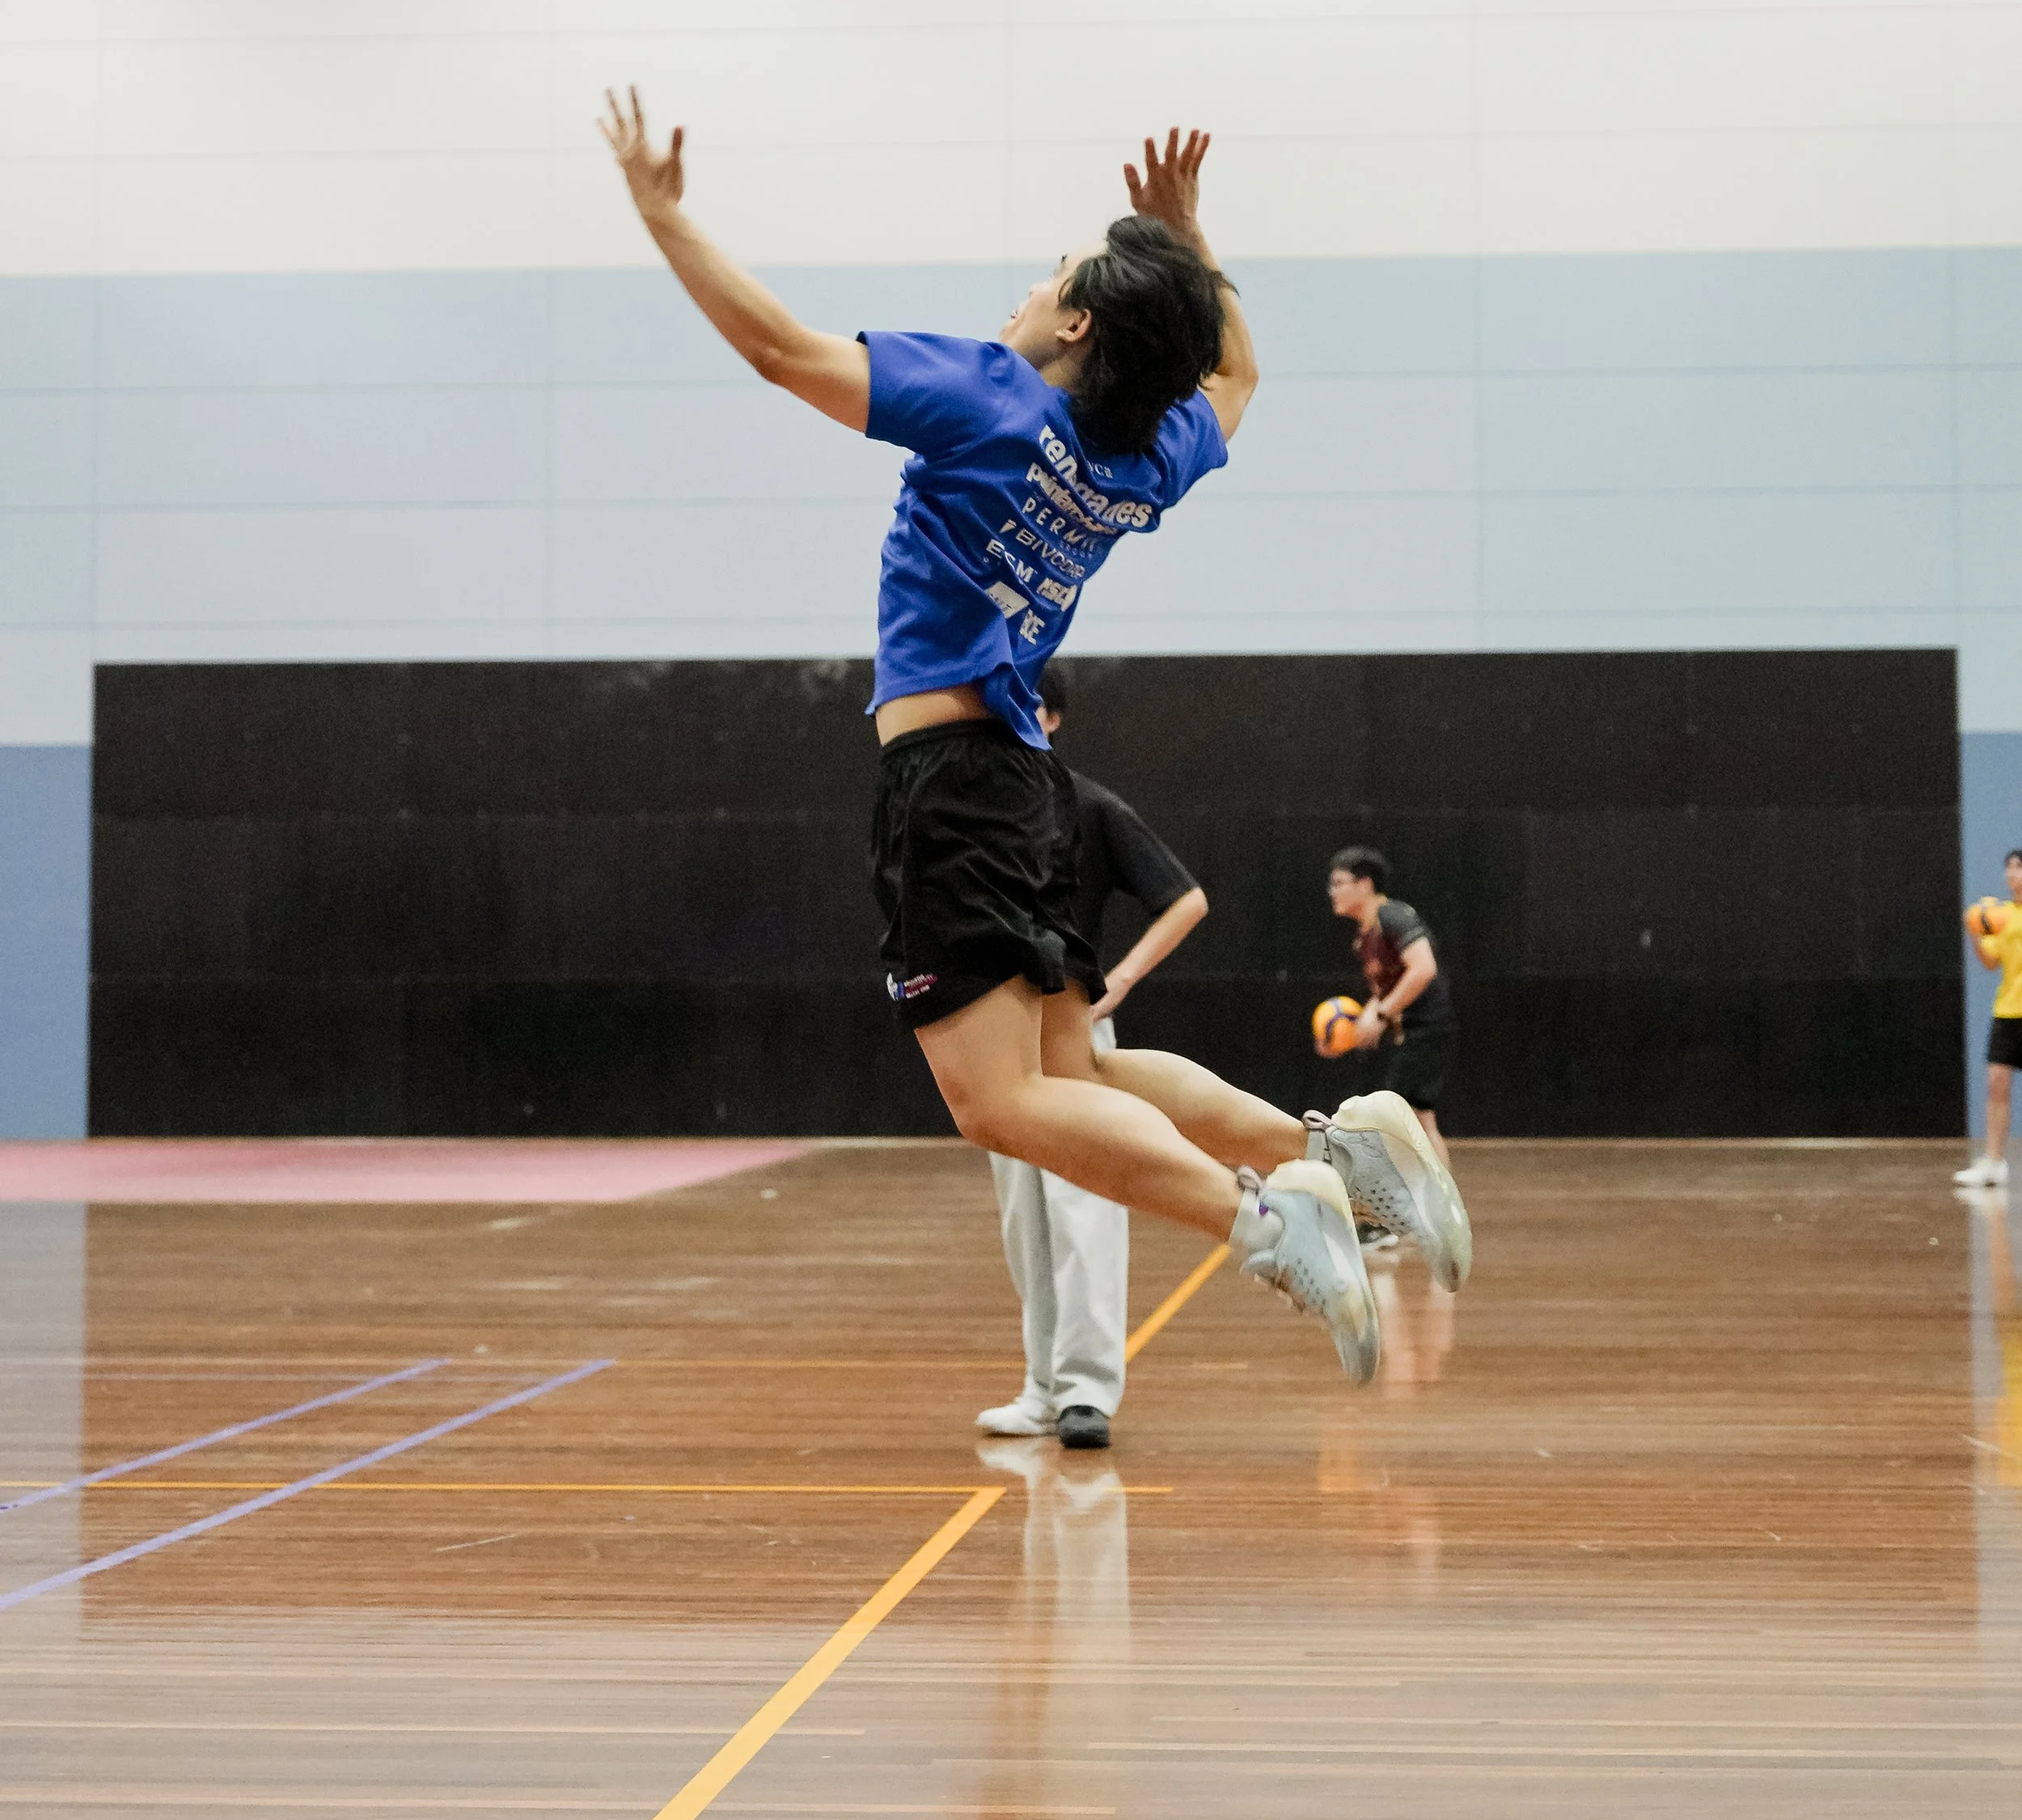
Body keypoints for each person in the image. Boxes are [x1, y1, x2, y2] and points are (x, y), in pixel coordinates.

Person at [600, 96, 1470, 1381]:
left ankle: (1270, 1215)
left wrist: (663, 215)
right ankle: (1333, 1150)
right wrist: (1190, 241)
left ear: (1076, 324)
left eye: (1048, 276)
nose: (1026, 285)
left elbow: (782, 352)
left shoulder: (987, 398)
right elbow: (1235, 375)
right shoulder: (1141, 453)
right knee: (1078, 1069)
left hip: (951, 783)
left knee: (997, 1102)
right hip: (1019, 781)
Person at [979, 669, 1209, 1451]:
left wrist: (1122, 979)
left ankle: (1085, 1392)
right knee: (1026, 1222)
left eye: (1017, 703)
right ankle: (1041, 1387)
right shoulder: (977, 809)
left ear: (1049, 714)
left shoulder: (1089, 805)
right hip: (996, 1041)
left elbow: (1185, 897)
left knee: (1084, 1212)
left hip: (1071, 1035)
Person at [1326, 848, 1458, 1172]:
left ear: (1365, 884)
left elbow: (1424, 968)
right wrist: (1350, 1032)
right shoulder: (1365, 937)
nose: (1333, 892)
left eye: (1340, 883)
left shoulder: (1393, 917)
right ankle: (1441, 1202)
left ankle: (1416, 1202)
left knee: (1389, 1121)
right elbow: (1383, 994)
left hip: (1427, 1029)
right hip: (1417, 1032)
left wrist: (1382, 1015)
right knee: (1419, 1119)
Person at [1957, 848, 2022, 1191]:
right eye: (2009, 868)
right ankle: (1994, 1163)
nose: (2012, 874)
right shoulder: (2003, 916)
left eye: (2019, 867)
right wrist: (1975, 931)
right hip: (2009, 1011)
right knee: (1997, 1083)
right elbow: (1990, 963)